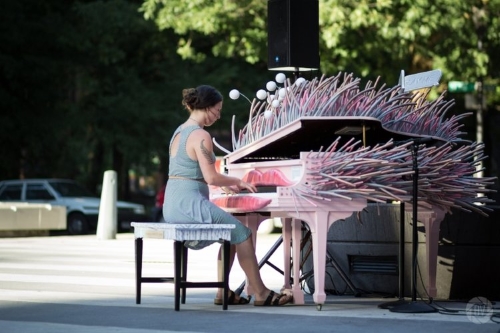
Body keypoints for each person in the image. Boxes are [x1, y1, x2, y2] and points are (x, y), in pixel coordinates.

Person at [162, 85, 292, 306]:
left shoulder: (179, 131)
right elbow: (211, 178)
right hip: (188, 204)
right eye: (217, 109)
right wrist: (237, 181)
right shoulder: (200, 134)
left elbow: (191, 173)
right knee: (242, 232)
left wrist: (225, 187)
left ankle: (224, 292)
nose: (219, 115)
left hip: (173, 202)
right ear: (206, 106)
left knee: (231, 233)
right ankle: (260, 293)